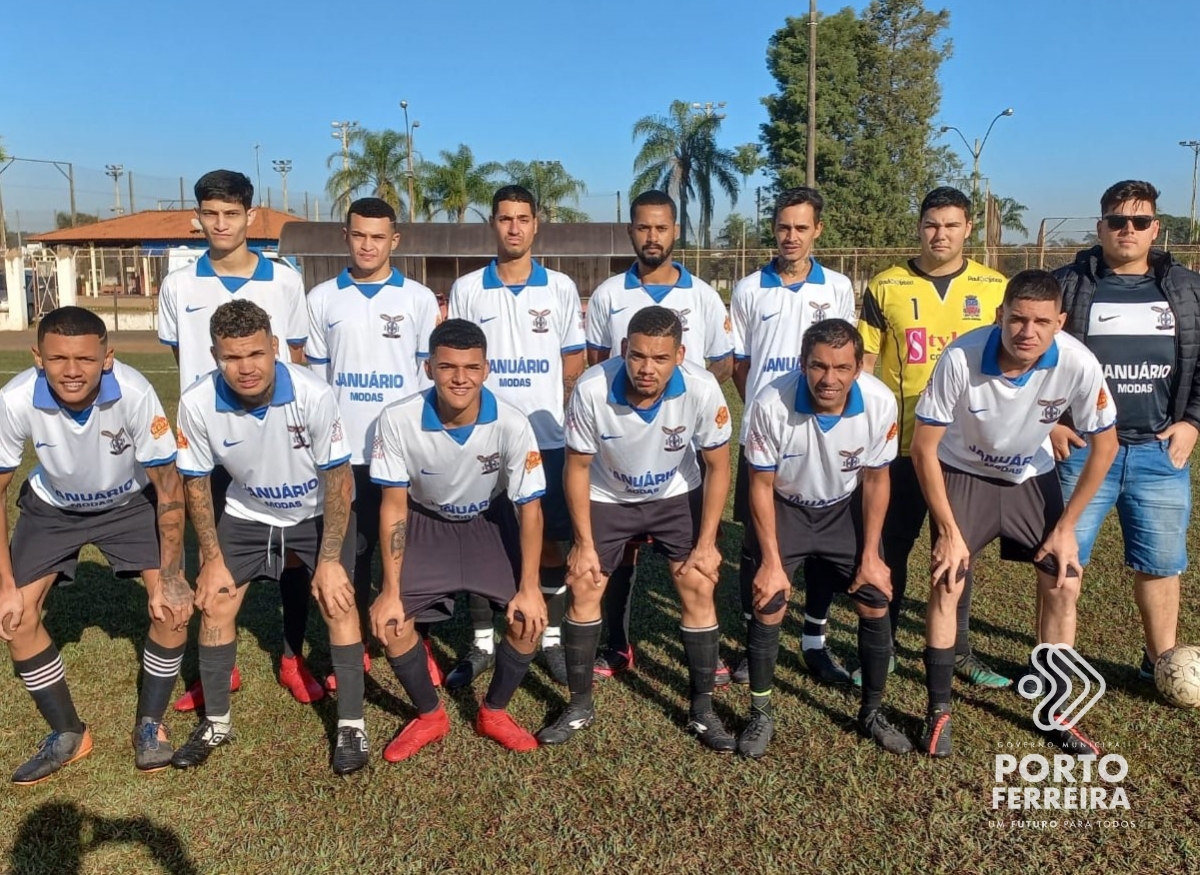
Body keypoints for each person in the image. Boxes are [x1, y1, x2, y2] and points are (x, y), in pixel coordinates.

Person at [910, 270, 1117, 758]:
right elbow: (924, 448)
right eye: (1018, 319)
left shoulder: (1078, 362)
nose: (1028, 331)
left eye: (1042, 321)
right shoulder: (961, 355)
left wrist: (1067, 528)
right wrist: (947, 531)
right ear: (1000, 315)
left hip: (1030, 476)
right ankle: (938, 712)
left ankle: (1057, 713)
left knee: (1063, 580)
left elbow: (1105, 445)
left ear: (1060, 322)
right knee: (947, 576)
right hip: (964, 472)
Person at [171, 300, 366, 774]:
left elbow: (340, 480)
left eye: (256, 354)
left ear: (275, 346)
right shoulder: (196, 402)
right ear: (214, 355)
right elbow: (195, 484)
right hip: (247, 513)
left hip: (316, 511)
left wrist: (330, 558)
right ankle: (216, 722)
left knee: (338, 603)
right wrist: (212, 558)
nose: (246, 368)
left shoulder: (313, 394)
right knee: (215, 602)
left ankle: (352, 727)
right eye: (232, 357)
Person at [0, 307, 186, 782]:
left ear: (107, 357)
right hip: (53, 509)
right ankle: (67, 733)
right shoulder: (16, 397)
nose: (71, 370)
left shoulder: (137, 393)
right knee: (15, 617)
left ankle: (150, 725)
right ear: (38, 357)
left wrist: (172, 576)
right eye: (59, 358)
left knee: (171, 607)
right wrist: (4, 585)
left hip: (128, 505)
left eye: (84, 358)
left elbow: (168, 487)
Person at [538, 306, 734, 751]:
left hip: (675, 494)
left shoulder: (702, 389)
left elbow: (719, 467)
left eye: (661, 358)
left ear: (680, 355)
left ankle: (702, 709)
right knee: (585, 583)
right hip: (608, 496)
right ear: (624, 349)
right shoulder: (591, 388)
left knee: (698, 584)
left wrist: (706, 543)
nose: (647, 368)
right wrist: (583, 544)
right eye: (639, 356)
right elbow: (576, 467)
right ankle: (580, 704)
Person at [157, 169, 318, 710]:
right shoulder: (178, 283)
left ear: (251, 216)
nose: (220, 224)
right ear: (196, 216)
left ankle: (293, 655)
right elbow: (189, 363)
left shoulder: (285, 280)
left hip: (276, 439)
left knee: (295, 552)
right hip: (209, 439)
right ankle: (217, 671)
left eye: (232, 214)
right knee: (213, 554)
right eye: (211, 214)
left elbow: (290, 358)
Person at [368, 319, 550, 759]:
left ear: (487, 368)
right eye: (448, 367)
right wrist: (390, 592)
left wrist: (529, 587)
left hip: (489, 523)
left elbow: (529, 508)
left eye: (471, 367)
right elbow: (393, 506)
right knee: (391, 624)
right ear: (428, 367)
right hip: (426, 523)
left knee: (530, 620)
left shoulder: (511, 422)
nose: (460, 378)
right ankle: (429, 714)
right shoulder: (396, 419)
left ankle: (494, 712)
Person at [857, 186, 1010, 689]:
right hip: (902, 444)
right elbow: (864, 364)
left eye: (950, 224)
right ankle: (885, 648)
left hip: (966, 446)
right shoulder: (885, 285)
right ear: (918, 227)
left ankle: (958, 649)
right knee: (890, 546)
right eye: (931, 224)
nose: (939, 234)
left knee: (958, 550)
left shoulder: (994, 287)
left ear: (969, 229)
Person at [738, 319, 911, 756]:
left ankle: (871, 711)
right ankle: (760, 714)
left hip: (841, 509)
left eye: (841, 368)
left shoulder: (878, 401)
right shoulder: (770, 401)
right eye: (817, 367)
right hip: (785, 507)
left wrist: (872, 554)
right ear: (802, 363)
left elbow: (876, 480)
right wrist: (772, 564)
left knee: (874, 596)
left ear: (858, 367)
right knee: (770, 601)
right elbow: (759, 484)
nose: (828, 379)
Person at [1052, 180, 1200, 682]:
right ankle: (1056, 669)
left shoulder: (1186, 288)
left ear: (1156, 228)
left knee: (1160, 566)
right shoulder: (1067, 284)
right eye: (1118, 220)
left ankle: (1163, 665)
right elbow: (1029, 358)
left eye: (1140, 221)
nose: (1128, 230)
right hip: (1084, 450)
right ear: (1101, 227)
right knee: (1062, 562)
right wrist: (1050, 421)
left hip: (1159, 452)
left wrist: (1192, 424)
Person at [585, 190, 734, 681]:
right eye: (643, 228)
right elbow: (597, 362)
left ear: (676, 232)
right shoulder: (609, 294)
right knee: (619, 552)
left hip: (680, 446)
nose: (653, 237)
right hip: (622, 446)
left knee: (694, 561)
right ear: (631, 231)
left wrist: (685, 401)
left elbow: (721, 362)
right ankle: (616, 644)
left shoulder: (704, 296)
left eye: (662, 228)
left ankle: (705, 655)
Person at [446, 185, 585, 688]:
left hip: (545, 437)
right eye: (504, 219)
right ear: (494, 224)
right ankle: (482, 641)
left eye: (522, 218)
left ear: (536, 223)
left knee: (547, 540)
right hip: (483, 437)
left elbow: (573, 359)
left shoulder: (561, 288)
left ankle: (548, 639)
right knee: (482, 538)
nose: (513, 228)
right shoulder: (467, 289)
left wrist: (568, 418)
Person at [305, 196, 440, 689]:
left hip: (402, 451)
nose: (368, 245)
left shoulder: (419, 299)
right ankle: (354, 643)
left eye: (378, 237)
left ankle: (413, 637)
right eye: (359, 235)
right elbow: (318, 385)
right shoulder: (321, 298)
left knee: (406, 552)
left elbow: (429, 380)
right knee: (352, 553)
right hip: (346, 456)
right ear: (346, 235)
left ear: (394, 241)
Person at [729, 186, 856, 687]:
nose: (791, 237)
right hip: (766, 435)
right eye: (783, 227)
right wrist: (767, 408)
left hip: (826, 432)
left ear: (817, 230)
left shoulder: (838, 287)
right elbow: (740, 364)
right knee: (755, 546)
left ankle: (814, 640)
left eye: (801, 228)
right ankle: (750, 640)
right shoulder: (748, 289)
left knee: (823, 539)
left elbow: (845, 355)